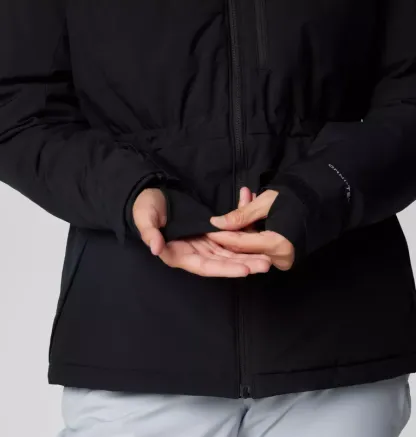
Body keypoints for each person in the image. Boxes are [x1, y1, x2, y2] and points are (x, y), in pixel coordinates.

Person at [1, 0, 415, 436]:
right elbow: (17, 110)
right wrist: (128, 191)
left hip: (340, 346)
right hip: (135, 343)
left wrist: (321, 191)